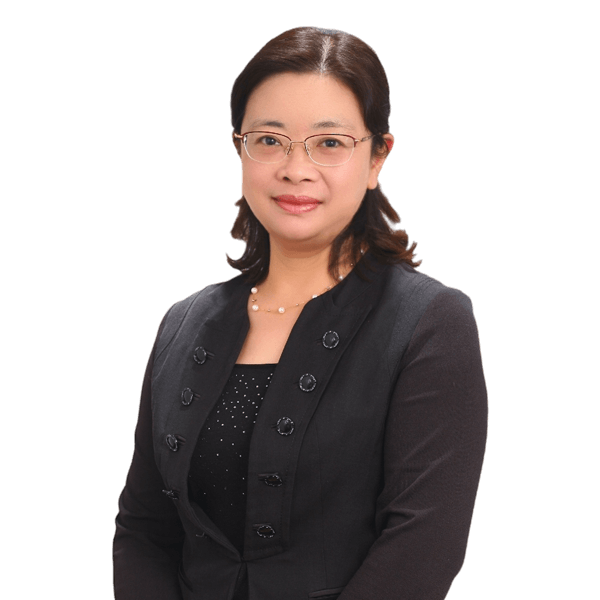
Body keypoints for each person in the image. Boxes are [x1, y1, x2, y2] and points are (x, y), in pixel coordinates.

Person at [112, 26, 488, 600]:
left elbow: (423, 547)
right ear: (239, 149)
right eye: (270, 140)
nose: (295, 169)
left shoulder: (431, 322)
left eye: (329, 142)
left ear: (377, 157)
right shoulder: (182, 323)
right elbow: (143, 527)